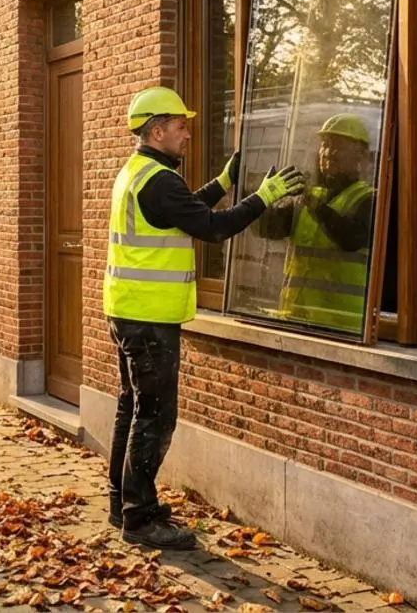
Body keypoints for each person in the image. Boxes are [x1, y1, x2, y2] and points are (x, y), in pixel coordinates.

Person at [104, 85, 306, 550]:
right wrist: (263, 196)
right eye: (180, 126)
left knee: (131, 408)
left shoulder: (140, 173)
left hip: (128, 311)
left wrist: (223, 182)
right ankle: (139, 521)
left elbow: (185, 212)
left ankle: (125, 502)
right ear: (157, 130)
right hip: (149, 320)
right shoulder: (157, 180)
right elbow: (211, 228)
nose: (188, 133)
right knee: (154, 416)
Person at [255, 113, 376, 333]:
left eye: (337, 146)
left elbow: (351, 238)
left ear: (359, 154)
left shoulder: (368, 198)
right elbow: (269, 230)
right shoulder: (308, 197)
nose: (328, 153)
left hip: (344, 324)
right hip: (296, 316)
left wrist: (314, 205)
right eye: (324, 145)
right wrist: (262, 199)